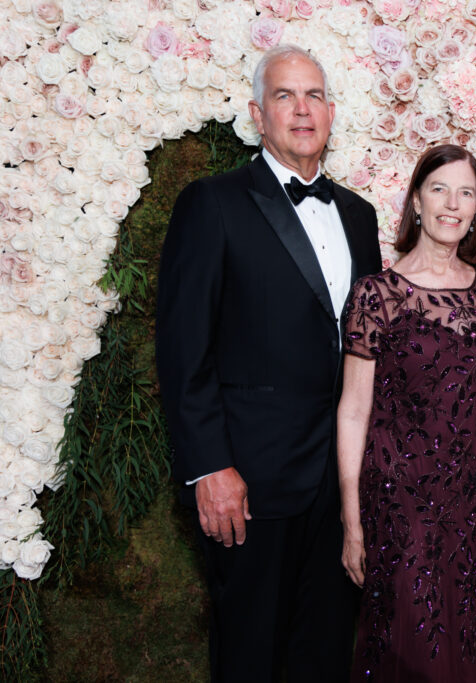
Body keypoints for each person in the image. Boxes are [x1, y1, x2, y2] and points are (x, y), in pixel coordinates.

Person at [156, 45, 382, 681]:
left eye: (313, 96)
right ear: (259, 114)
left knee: (327, 651)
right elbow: (183, 349)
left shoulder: (360, 218)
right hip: (249, 482)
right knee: (250, 654)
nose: (301, 110)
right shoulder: (213, 203)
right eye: (285, 96)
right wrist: (209, 467)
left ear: (331, 113)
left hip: (341, 486)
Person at [337, 144, 476, 681]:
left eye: (466, 193)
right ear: (417, 201)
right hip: (400, 501)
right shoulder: (378, 295)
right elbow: (353, 411)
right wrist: (352, 520)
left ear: (475, 210)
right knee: (415, 647)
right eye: (439, 189)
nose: (452, 203)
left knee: (470, 640)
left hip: (475, 497)